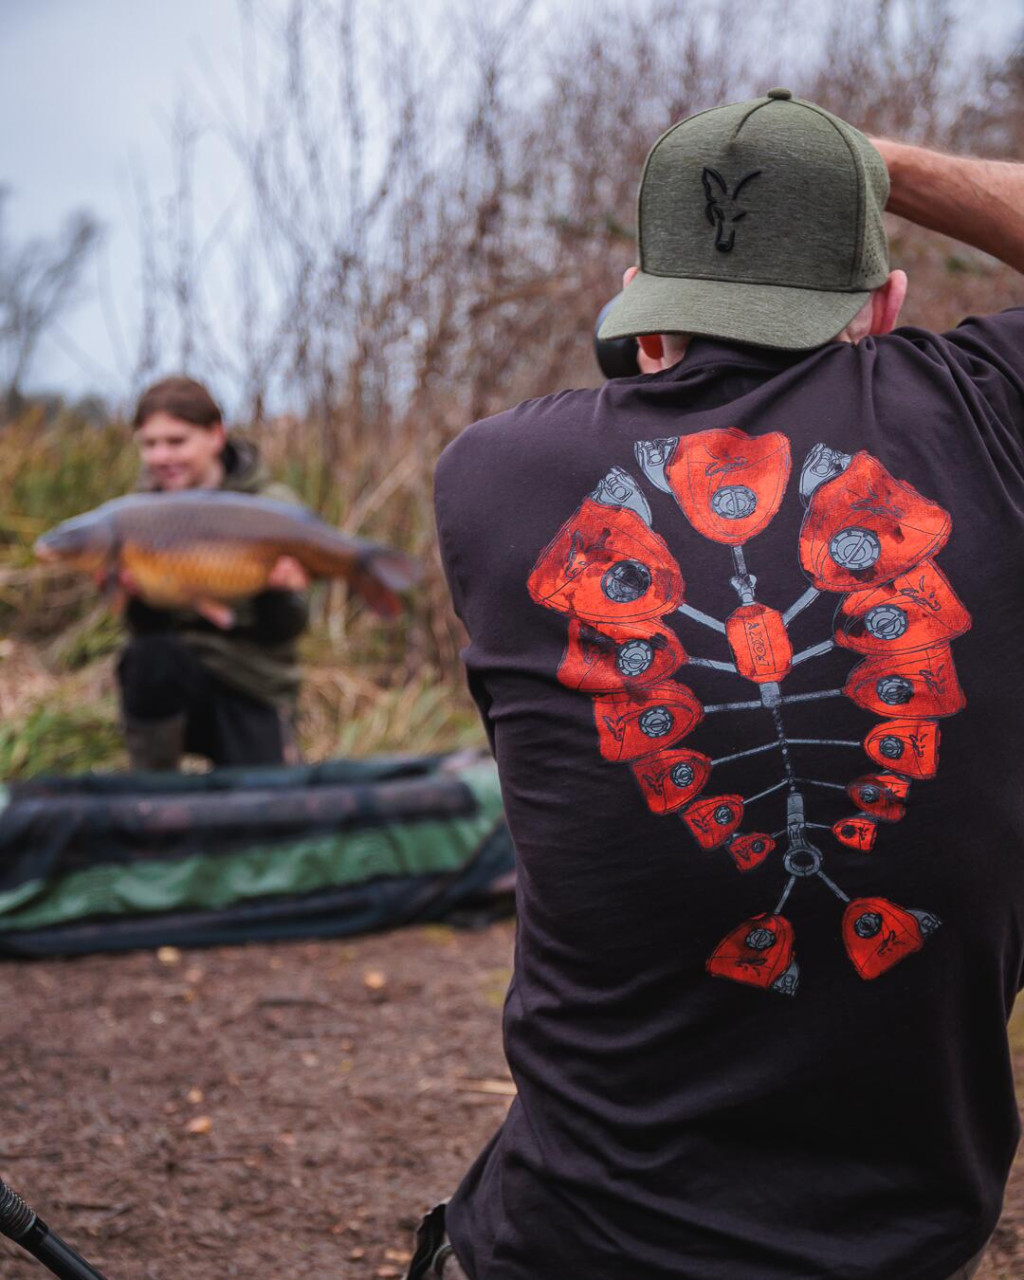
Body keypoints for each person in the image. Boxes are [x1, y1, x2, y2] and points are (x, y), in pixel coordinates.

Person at [417, 90, 1024, 1280]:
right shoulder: (987, 418)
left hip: (565, 1244)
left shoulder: (487, 477)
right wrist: (869, 163)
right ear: (884, 305)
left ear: (643, 318)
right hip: (895, 1249)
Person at [117, 376, 310, 770]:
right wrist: (138, 597)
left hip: (253, 681)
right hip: (177, 675)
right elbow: (142, 630)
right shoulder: (136, 514)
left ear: (215, 435)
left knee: (260, 798)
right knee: (147, 660)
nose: (161, 456)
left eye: (176, 441)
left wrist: (279, 593)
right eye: (149, 444)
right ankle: (155, 791)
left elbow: (290, 627)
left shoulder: (271, 507)